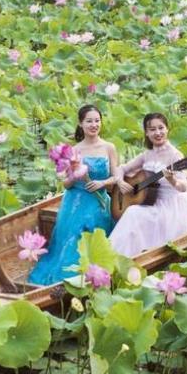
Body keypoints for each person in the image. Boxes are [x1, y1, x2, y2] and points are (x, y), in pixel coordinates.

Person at [28, 105, 119, 285]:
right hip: (76, 199)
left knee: (99, 235)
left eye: (97, 121)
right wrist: (74, 172)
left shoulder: (109, 147)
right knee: (76, 232)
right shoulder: (74, 150)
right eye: (89, 121)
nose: (94, 125)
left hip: (100, 199)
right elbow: (67, 184)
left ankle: (99, 274)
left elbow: (116, 176)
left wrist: (102, 183)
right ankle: (71, 278)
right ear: (80, 124)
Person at [109, 112, 187, 257]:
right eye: (152, 129)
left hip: (172, 206)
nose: (158, 133)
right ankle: (117, 257)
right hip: (152, 202)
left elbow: (183, 187)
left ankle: (122, 257)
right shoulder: (147, 154)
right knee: (132, 212)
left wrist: (173, 180)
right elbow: (121, 168)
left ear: (167, 129)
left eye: (161, 128)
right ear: (146, 132)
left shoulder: (176, 156)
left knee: (132, 213)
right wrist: (120, 181)